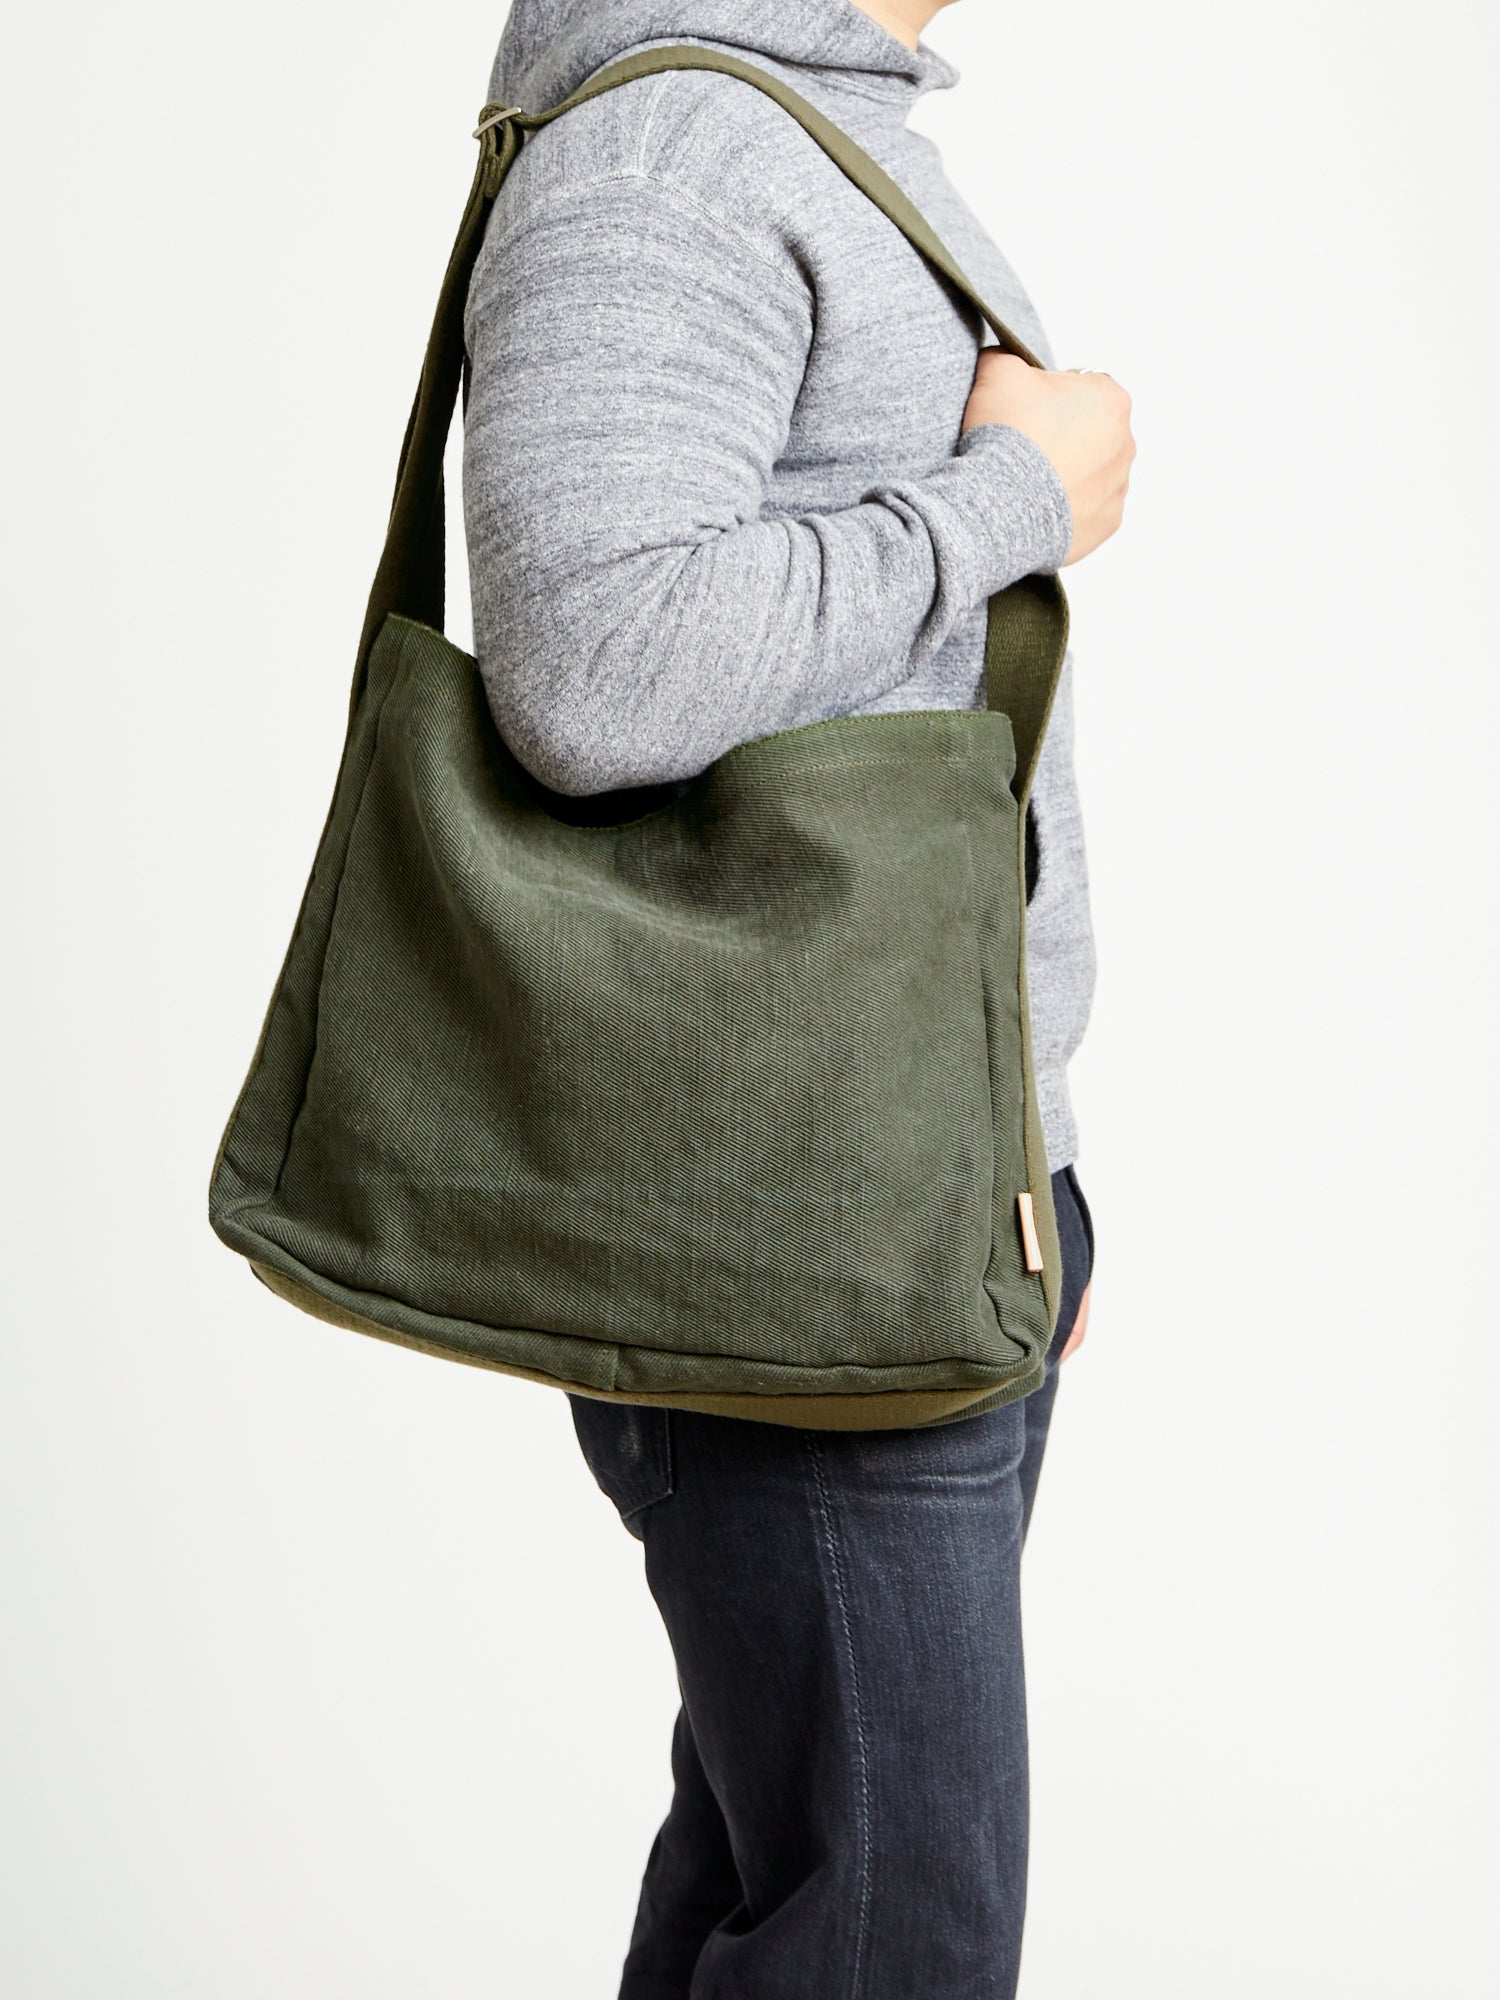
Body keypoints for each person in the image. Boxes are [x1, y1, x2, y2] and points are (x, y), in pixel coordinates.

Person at [462, 0, 1134, 1991]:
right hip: (792, 1235)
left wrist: (1025, 1177)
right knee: (886, 1932)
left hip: (913, 1199)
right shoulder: (675, 155)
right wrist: (1012, 500)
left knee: (798, 1887)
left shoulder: (803, 129)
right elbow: (592, 672)